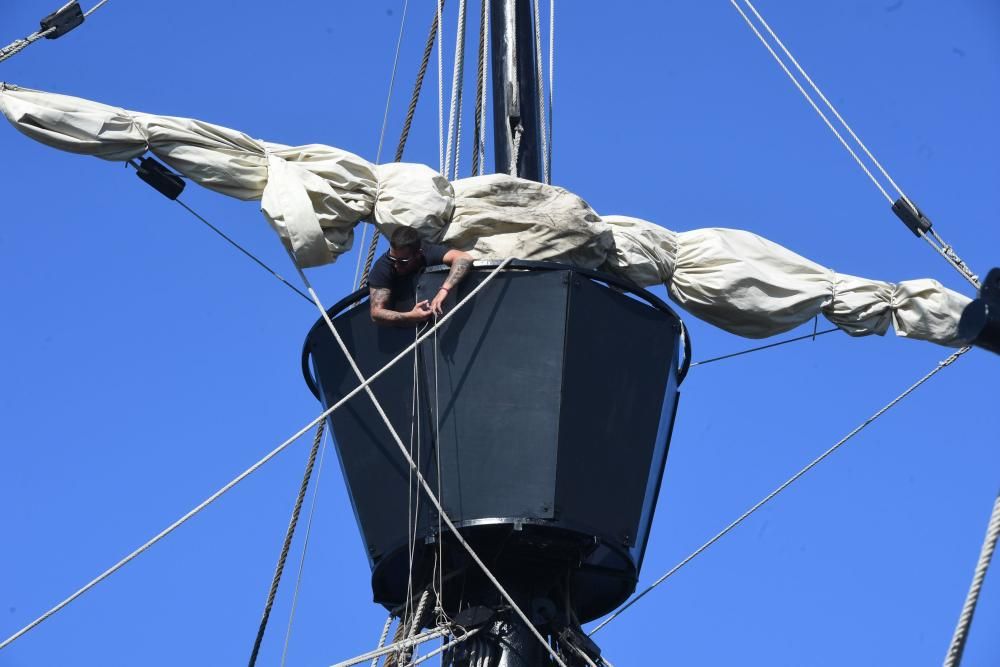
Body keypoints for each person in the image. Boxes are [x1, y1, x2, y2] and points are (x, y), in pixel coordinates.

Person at [368, 227, 474, 326]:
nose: (396, 265)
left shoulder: (427, 251)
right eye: (392, 259)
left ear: (418, 254)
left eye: (403, 261)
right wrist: (411, 316)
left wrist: (444, 290)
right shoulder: (382, 268)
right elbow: (376, 313)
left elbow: (464, 258)